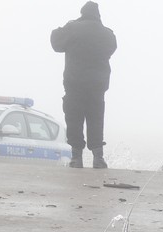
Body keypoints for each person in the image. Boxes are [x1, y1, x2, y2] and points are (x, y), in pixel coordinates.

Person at [50, 2, 117, 169]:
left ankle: (76, 158)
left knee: (74, 119)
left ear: (82, 13)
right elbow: (112, 47)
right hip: (97, 85)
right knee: (96, 119)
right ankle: (98, 158)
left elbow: (56, 42)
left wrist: (71, 24)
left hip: (75, 83)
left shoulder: (73, 28)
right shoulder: (107, 34)